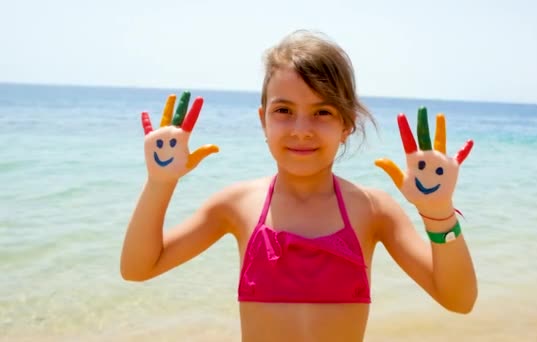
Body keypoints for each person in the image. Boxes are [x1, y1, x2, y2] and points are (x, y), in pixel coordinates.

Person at [121, 30, 477, 342]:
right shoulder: (236, 205)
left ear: (347, 123)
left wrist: (438, 214)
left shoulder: (372, 210)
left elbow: (458, 300)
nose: (301, 129)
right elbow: (139, 267)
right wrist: (160, 183)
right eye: (284, 111)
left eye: (322, 112)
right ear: (263, 120)